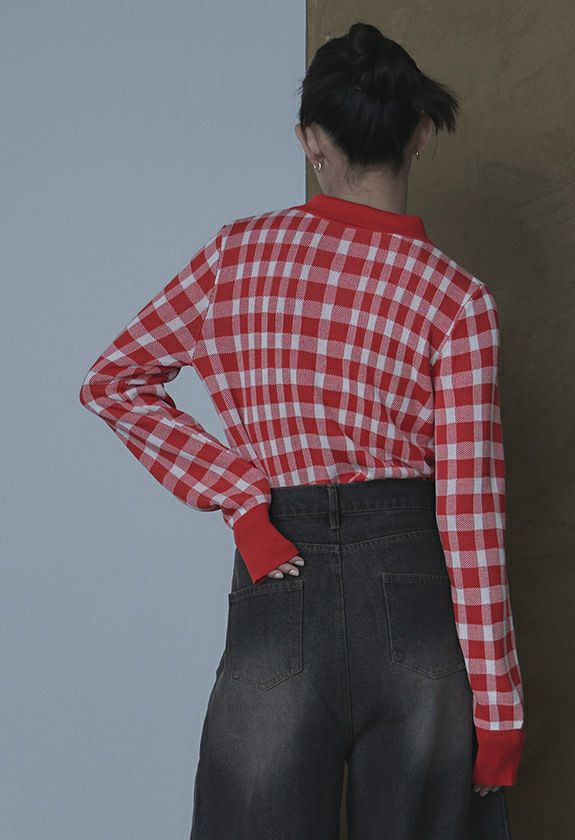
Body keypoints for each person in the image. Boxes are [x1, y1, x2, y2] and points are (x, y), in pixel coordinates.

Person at [78, 20, 525, 840]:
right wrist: (498, 710)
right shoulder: (458, 300)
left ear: (310, 138)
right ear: (422, 134)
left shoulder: (236, 257)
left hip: (277, 572)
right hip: (413, 591)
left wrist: (243, 500)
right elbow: (470, 518)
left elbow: (113, 381)